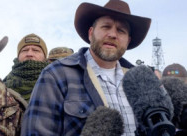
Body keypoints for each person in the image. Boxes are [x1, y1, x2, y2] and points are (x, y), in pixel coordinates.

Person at [21, 0, 151, 135]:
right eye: (106, 27)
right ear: (91, 33)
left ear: (128, 40)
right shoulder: (56, 75)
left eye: (121, 30)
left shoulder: (142, 82)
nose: (113, 34)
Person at [3, 33, 49, 102]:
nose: (29, 54)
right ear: (18, 56)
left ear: (45, 58)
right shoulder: (1, 86)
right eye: (25, 50)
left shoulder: (56, 82)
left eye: (35, 50)